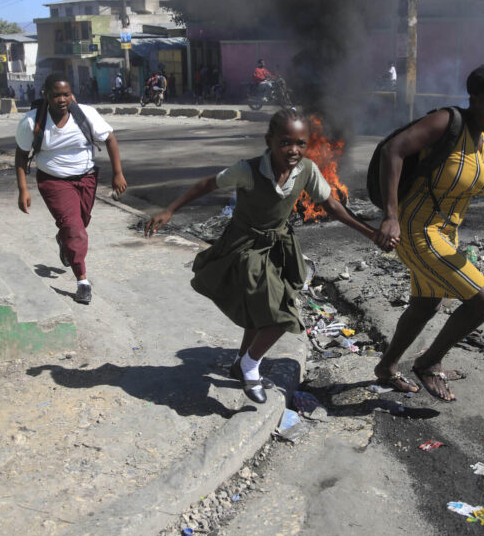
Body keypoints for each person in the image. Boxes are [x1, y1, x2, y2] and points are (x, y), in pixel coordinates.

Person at [144, 108, 388, 403]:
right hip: (245, 247)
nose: (294, 150)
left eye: (300, 143)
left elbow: (332, 205)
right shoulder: (248, 170)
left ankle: (239, 364)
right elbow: (207, 184)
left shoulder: (307, 170)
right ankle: (250, 366)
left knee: (261, 311)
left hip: (278, 247)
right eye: (286, 143)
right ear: (269, 140)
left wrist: (371, 233)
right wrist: (170, 209)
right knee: (281, 316)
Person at [373, 63, 484, 400]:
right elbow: (392, 150)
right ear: (474, 99)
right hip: (417, 227)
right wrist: (390, 215)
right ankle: (429, 362)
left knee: (427, 302)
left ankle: (386, 368)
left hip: (446, 231)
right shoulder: (447, 121)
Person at [14, 72, 127, 305]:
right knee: (75, 229)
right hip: (54, 181)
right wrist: (23, 189)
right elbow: (21, 156)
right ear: (46, 95)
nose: (62, 99)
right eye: (56, 95)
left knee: (80, 223)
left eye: (66, 94)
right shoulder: (32, 121)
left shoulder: (85, 114)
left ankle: (64, 240)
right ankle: (82, 282)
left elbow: (110, 139)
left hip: (86, 178)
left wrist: (118, 173)